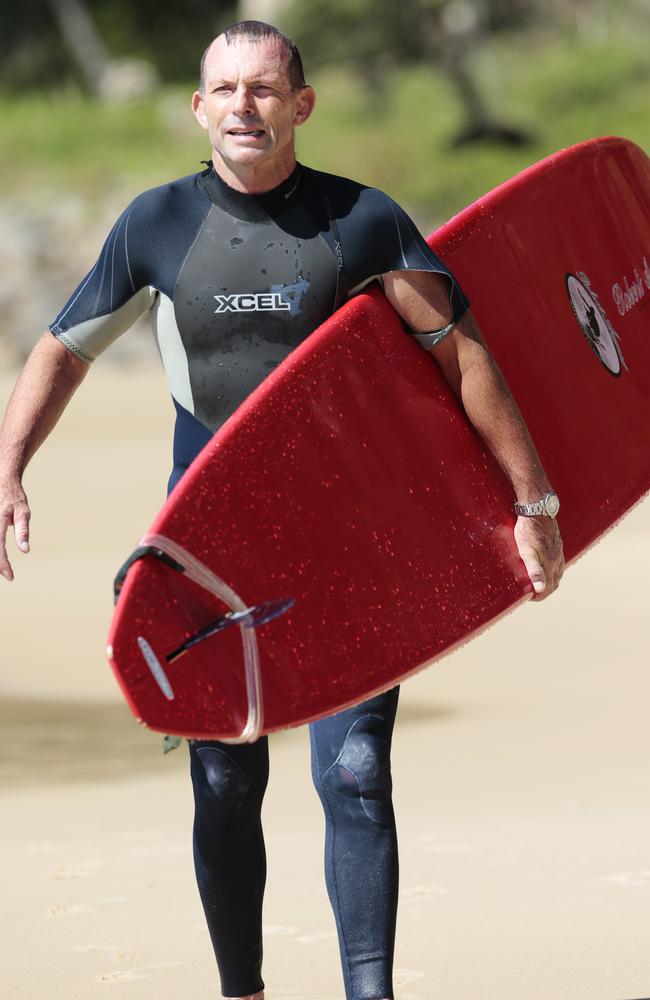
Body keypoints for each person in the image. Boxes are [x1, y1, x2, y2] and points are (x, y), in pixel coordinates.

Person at [0, 20, 564, 1000]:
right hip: (211, 554)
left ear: (301, 105)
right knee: (223, 781)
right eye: (225, 90)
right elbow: (62, 349)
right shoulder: (155, 224)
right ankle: (243, 991)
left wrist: (534, 499)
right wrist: (9, 468)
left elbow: (462, 357)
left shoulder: (363, 222)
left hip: (345, 545)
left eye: (264, 90)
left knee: (351, 773)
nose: (243, 107)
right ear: (198, 108)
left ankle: (368, 992)